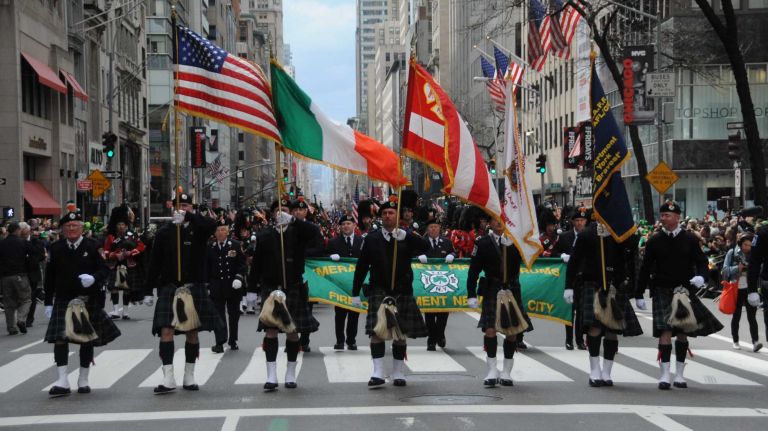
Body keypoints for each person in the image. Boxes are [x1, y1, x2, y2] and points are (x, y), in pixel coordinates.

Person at [638, 201, 724, 390]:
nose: (663, 218)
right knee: (665, 331)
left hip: (684, 290)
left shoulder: (690, 239)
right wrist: (638, 293)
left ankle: (679, 375)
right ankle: (664, 375)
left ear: (677, 217)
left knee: (683, 332)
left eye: (667, 215)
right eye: (662, 215)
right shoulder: (654, 240)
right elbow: (645, 268)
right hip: (662, 288)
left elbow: (702, 261)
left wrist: (702, 276)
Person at [146, 193, 221, 394]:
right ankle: (168, 377)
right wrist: (148, 290)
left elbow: (212, 225)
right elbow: (154, 262)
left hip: (193, 286)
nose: (182, 209)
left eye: (186, 205)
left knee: (192, 331)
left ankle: (189, 375)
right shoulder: (165, 232)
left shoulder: (199, 229)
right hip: (170, 287)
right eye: (179, 206)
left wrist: (190, 217)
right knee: (166, 331)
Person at [352, 195, 429, 387]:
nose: (387, 216)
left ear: (397, 216)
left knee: (400, 334)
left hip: (402, 290)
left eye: (391, 213)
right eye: (385, 213)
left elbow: (426, 247)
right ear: (381, 216)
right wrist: (355, 292)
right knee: (377, 332)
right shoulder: (372, 238)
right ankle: (378, 372)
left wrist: (408, 235)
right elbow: (362, 267)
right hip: (379, 289)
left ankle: (398, 372)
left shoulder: (406, 236)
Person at [44, 212, 120, 396]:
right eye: (68, 226)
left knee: (86, 340)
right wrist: (48, 301)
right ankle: (62, 380)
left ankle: (83, 378)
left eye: (74, 226)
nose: (71, 229)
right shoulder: (56, 248)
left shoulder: (93, 246)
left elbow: (105, 270)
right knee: (60, 338)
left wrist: (94, 279)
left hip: (87, 299)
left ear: (81, 228)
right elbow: (50, 276)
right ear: (63, 229)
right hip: (64, 299)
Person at [249, 197, 321, 390]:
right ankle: (271, 375)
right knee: (271, 330)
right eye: (278, 211)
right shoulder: (264, 235)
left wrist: (294, 220)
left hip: (293, 288)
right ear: (272, 214)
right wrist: (250, 291)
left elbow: (315, 232)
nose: (281, 214)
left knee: (292, 331)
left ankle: (290, 373)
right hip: (271, 288)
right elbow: (256, 265)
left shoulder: (298, 232)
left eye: (286, 211)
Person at [564, 221, 643, 387]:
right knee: (595, 327)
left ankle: (607, 371)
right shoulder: (587, 234)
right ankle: (595, 370)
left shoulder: (620, 234)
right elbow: (574, 261)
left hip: (615, 285)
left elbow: (630, 261)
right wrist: (568, 287)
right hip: (592, 283)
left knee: (612, 330)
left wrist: (636, 291)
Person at [467, 216, 533, 387]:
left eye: (502, 220)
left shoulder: (516, 242)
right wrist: (471, 294)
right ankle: (491, 370)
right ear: (489, 222)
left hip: (511, 289)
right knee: (490, 330)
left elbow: (531, 254)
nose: (499, 223)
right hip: (492, 289)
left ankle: (506, 372)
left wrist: (520, 243)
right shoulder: (482, 243)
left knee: (511, 332)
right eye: (495, 220)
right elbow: (473, 270)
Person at [207, 220, 247, 353]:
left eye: (223, 230)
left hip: (232, 285)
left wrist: (238, 278)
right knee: (218, 315)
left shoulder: (235, 245)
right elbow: (207, 267)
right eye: (218, 230)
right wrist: (207, 284)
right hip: (217, 286)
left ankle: (233, 339)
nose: (220, 233)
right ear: (215, 233)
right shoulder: (211, 246)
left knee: (233, 314)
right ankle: (220, 341)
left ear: (227, 231)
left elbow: (242, 265)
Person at [553, 208, 589, 350]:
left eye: (582, 220)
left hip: (584, 276)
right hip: (569, 277)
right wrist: (562, 255)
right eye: (578, 220)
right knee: (569, 309)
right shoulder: (565, 237)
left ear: (586, 222)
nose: (580, 223)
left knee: (581, 311)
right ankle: (569, 340)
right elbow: (554, 252)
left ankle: (580, 339)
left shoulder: (589, 236)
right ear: (573, 222)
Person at [326, 214, 363, 350]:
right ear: (340, 227)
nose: (346, 226)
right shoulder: (333, 242)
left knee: (354, 313)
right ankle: (340, 340)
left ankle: (351, 340)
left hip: (356, 285)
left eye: (349, 223)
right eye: (343, 224)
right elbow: (323, 258)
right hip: (340, 285)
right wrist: (330, 256)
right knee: (340, 314)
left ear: (354, 225)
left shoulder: (362, 241)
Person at [104, 205, 145, 319]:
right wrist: (114, 255)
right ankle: (116, 310)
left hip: (129, 264)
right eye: (119, 224)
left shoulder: (132, 236)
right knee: (114, 288)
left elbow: (141, 247)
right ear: (115, 225)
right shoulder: (111, 237)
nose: (121, 227)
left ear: (126, 225)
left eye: (123, 224)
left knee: (127, 289)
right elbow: (105, 251)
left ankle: (125, 312)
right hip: (115, 264)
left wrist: (130, 253)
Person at [0, 222, 41, 335]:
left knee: (8, 303)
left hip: (5, 277)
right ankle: (21, 319)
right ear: (18, 230)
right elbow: (35, 253)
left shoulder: (2, 243)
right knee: (26, 299)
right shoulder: (23, 242)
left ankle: (11, 327)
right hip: (20, 274)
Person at [724, 234, 762, 352]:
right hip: (736, 288)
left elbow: (760, 269)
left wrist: (751, 269)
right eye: (745, 245)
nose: (747, 248)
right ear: (740, 243)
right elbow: (725, 271)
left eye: (750, 245)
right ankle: (735, 340)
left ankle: (755, 341)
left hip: (750, 288)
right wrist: (738, 268)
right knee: (736, 316)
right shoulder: (732, 252)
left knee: (752, 317)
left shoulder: (754, 254)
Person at [422, 218, 455, 351]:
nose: (434, 229)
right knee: (429, 313)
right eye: (431, 227)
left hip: (443, 281)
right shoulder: (422, 242)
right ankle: (431, 339)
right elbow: (412, 254)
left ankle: (440, 334)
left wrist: (452, 254)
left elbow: (454, 252)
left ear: (439, 228)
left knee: (443, 311)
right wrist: (419, 255)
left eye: (436, 227)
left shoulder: (446, 242)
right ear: (427, 229)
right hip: (428, 281)